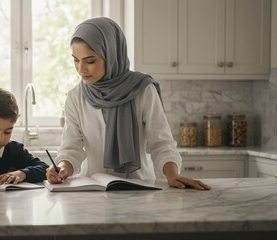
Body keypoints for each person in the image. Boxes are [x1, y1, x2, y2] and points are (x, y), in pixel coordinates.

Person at [46, 17, 210, 191]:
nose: (81, 69)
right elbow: (71, 148)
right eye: (75, 60)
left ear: (111, 55)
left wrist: (172, 174)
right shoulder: (75, 97)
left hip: (140, 188)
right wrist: (62, 168)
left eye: (90, 61)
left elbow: (161, 143)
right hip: (92, 191)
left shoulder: (143, 89)